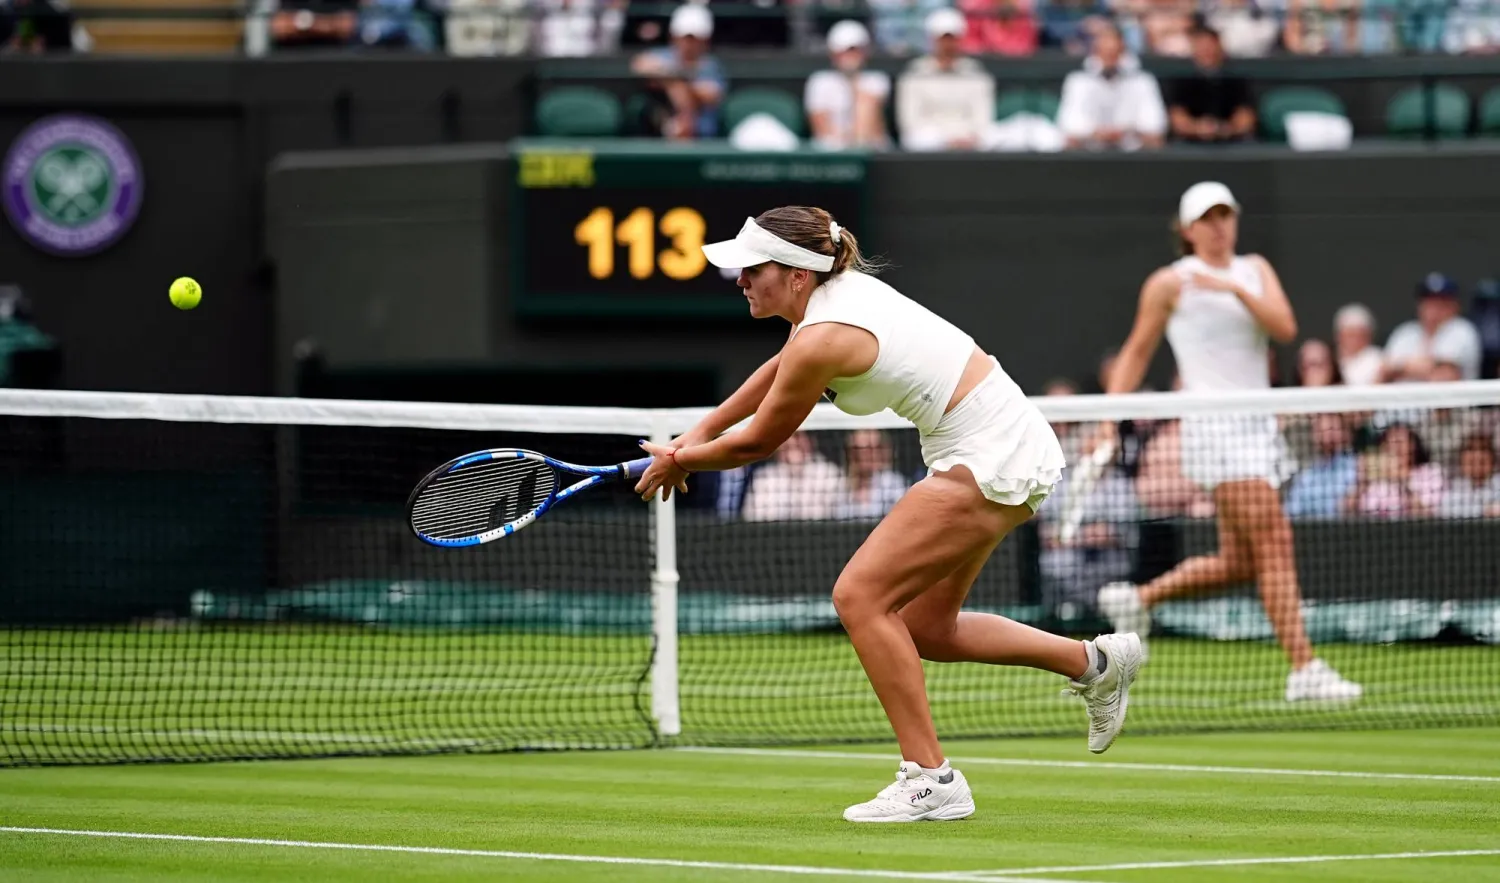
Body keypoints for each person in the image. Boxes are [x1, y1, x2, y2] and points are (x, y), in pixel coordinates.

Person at [632, 205, 1144, 822]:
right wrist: (695, 436)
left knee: (859, 596)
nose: (740, 280)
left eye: (752, 269)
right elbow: (773, 373)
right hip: (998, 441)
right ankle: (1097, 663)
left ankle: (930, 777)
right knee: (930, 628)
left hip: (988, 451)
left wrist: (684, 462)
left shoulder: (824, 335)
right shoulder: (825, 305)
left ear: (797, 275)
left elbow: (758, 442)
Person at [1093, 181, 1362, 704]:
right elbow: (1135, 352)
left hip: (1259, 427)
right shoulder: (1169, 284)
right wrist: (1107, 416)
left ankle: (1139, 598)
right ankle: (1304, 669)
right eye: (1208, 217)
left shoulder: (1255, 270)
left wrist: (1235, 290)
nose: (1219, 225)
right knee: (1276, 541)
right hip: (1212, 428)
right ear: (1189, 230)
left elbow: (1284, 327)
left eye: (1226, 215)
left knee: (1241, 561)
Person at [804, 20, 892, 151]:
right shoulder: (819, 81)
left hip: (872, 149)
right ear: (833, 53)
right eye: (843, 51)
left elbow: (868, 124)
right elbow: (821, 128)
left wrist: (853, 81)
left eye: (854, 51)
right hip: (832, 149)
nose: (849, 56)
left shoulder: (877, 80)